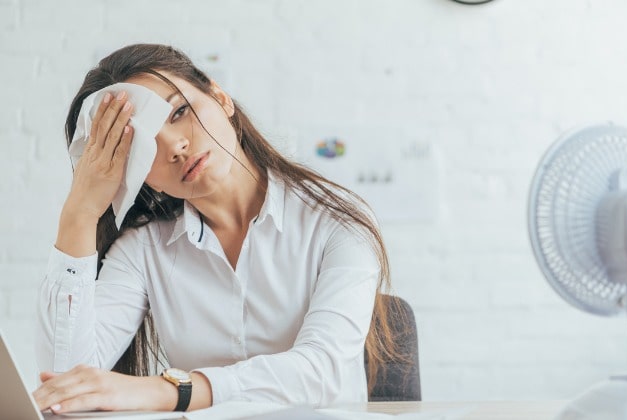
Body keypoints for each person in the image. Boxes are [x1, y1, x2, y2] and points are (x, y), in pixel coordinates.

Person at [33, 44, 402, 414]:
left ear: (221, 97)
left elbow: (322, 371)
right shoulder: (142, 250)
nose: (175, 146)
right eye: (144, 146)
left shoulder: (335, 219)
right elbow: (63, 387)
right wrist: (80, 212)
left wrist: (171, 391)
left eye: (178, 111)